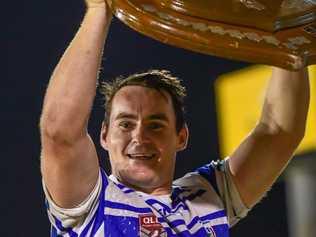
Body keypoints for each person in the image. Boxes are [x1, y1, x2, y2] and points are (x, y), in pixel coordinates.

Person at [39, 0, 310, 236]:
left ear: (181, 136)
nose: (139, 136)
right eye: (125, 123)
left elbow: (279, 131)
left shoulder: (205, 199)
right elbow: (60, 133)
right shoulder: (92, 206)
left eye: (155, 125)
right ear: (104, 136)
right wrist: (99, 10)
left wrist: (286, 38)